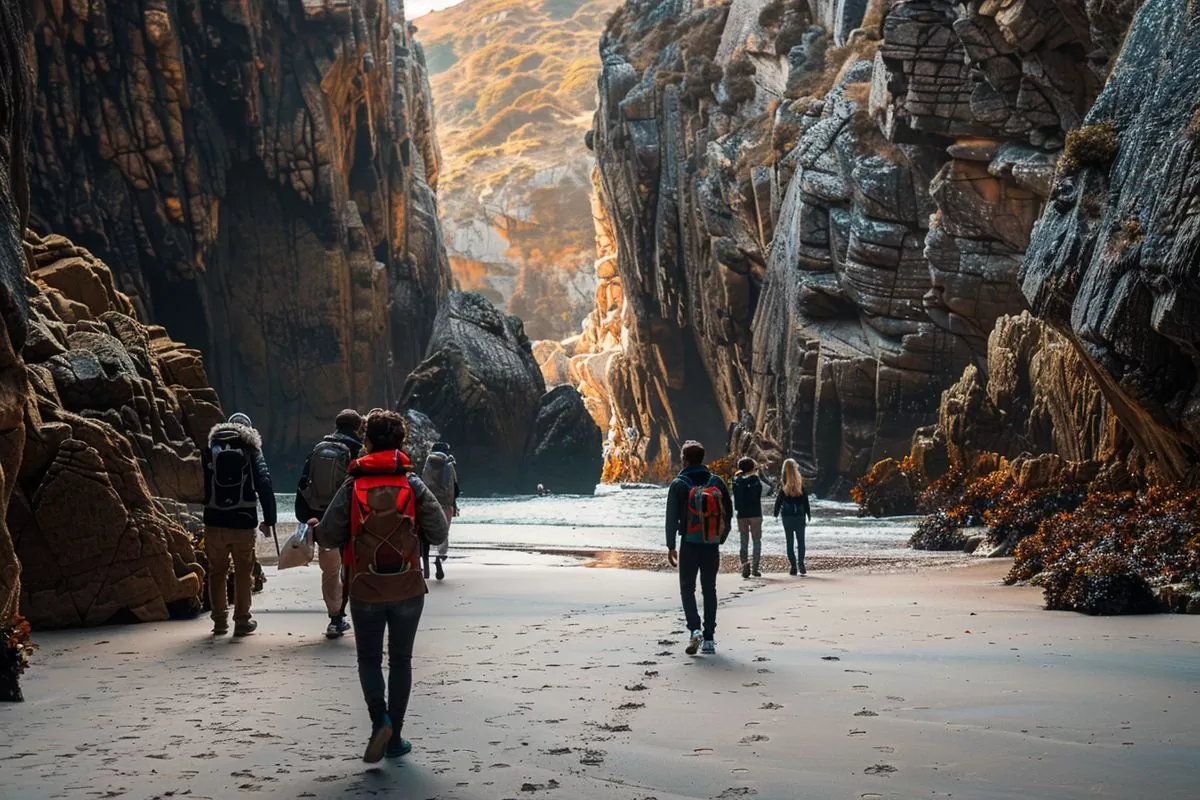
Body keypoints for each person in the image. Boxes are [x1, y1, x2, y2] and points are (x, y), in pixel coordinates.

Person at [309, 410, 449, 763]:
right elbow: (440, 531)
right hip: (407, 588)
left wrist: (315, 527)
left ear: (367, 441)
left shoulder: (352, 485)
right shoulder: (413, 485)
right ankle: (396, 738)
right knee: (401, 660)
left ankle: (379, 720)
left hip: (365, 587)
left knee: (369, 659)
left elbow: (327, 535)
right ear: (401, 443)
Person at [203, 412, 276, 637]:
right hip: (243, 519)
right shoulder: (250, 448)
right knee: (243, 571)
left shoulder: (212, 447)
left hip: (214, 519)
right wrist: (269, 519)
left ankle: (219, 622)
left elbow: (203, 483)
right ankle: (242, 620)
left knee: (217, 572)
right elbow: (263, 480)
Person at [296, 408, 364, 638]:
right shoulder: (357, 449)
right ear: (357, 427)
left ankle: (335, 618)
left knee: (329, 569)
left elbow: (304, 482)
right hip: (347, 517)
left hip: (320, 517)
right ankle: (351, 612)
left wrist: (305, 517)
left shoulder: (318, 448)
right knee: (349, 567)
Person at [665, 440, 732, 656]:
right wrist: (720, 537)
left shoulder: (678, 484)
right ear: (702, 458)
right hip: (711, 543)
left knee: (687, 588)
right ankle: (710, 639)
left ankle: (694, 629)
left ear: (684, 459)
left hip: (689, 544)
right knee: (709, 588)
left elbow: (671, 518)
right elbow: (729, 513)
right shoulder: (717, 482)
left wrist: (670, 545)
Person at [420, 442, 459, 581]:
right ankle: (440, 556)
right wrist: (454, 504)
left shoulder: (427, 464)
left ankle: (425, 558)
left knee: (426, 531)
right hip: (446, 503)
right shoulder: (448, 463)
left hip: (429, 501)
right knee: (443, 532)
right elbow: (454, 486)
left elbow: (422, 483)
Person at [773, 458, 812, 575]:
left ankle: (793, 566)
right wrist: (808, 514)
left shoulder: (783, 486)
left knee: (789, 541)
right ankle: (801, 564)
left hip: (787, 517)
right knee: (801, 541)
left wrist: (775, 514)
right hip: (799, 516)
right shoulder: (800, 485)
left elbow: (778, 501)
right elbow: (806, 502)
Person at [732, 457, 764, 579]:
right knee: (756, 541)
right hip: (755, 514)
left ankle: (745, 564)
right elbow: (760, 494)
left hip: (742, 515)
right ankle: (755, 568)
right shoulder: (756, 480)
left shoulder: (737, 481)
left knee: (743, 541)